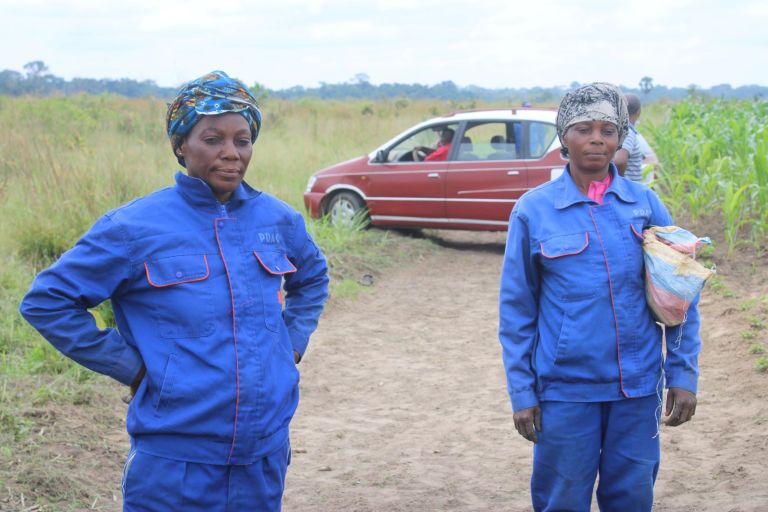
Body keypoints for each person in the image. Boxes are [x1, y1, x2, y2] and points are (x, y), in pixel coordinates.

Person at [19, 71, 330, 511]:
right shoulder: (133, 228)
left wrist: (290, 344)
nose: (231, 153)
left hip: (262, 455)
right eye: (212, 139)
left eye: (243, 140)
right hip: (174, 465)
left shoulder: (277, 220)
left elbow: (313, 277)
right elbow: (47, 301)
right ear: (181, 144)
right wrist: (133, 368)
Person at [498, 82, 701, 511]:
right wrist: (523, 393)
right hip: (566, 391)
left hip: (638, 388)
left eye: (608, 130)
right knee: (563, 499)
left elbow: (681, 298)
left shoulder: (645, 206)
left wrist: (682, 375)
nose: (596, 138)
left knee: (631, 497)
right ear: (564, 137)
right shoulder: (533, 211)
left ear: (621, 138)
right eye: (584, 128)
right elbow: (516, 312)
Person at [613, 92, 646, 182]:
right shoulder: (626, 131)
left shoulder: (618, 129)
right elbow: (619, 161)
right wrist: (619, 183)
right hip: (627, 192)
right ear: (638, 112)